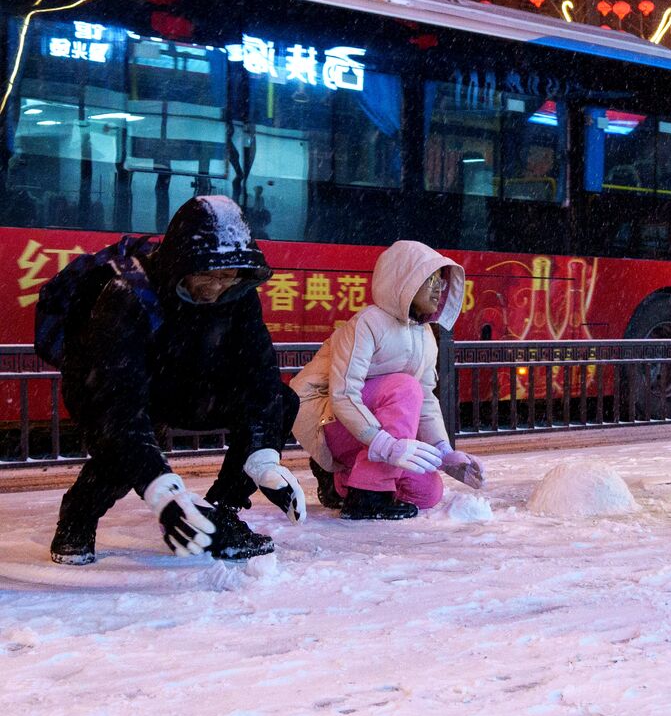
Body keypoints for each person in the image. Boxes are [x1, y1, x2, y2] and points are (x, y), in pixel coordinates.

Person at [49, 195, 306, 565]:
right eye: (207, 275)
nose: (216, 288)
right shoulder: (128, 295)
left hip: (188, 386)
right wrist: (163, 493)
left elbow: (260, 376)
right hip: (116, 391)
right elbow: (117, 407)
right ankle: (77, 516)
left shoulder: (239, 295)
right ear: (181, 263)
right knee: (126, 445)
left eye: (227, 276)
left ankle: (221, 512)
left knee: (281, 401)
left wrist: (263, 459)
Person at [291, 240, 485, 520]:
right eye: (427, 279)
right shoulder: (368, 323)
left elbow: (427, 400)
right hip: (324, 417)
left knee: (427, 491)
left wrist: (444, 453)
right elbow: (344, 394)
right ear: (403, 281)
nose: (437, 288)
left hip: (368, 427)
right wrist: (386, 445)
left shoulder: (426, 336)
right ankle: (368, 496)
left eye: (439, 281)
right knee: (405, 388)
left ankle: (340, 483)